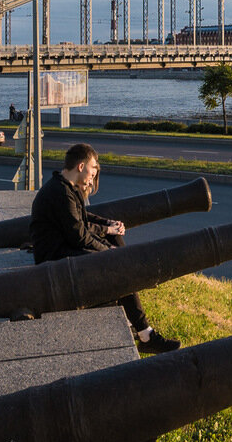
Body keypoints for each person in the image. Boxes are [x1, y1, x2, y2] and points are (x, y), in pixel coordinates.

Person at [30, 142, 180, 354]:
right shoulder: (60, 192)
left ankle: (136, 321)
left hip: (64, 249)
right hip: (56, 259)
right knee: (118, 263)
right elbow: (79, 236)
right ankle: (145, 333)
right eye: (92, 169)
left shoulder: (65, 188)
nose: (94, 174)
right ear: (81, 166)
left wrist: (109, 225)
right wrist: (109, 252)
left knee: (117, 243)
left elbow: (83, 218)